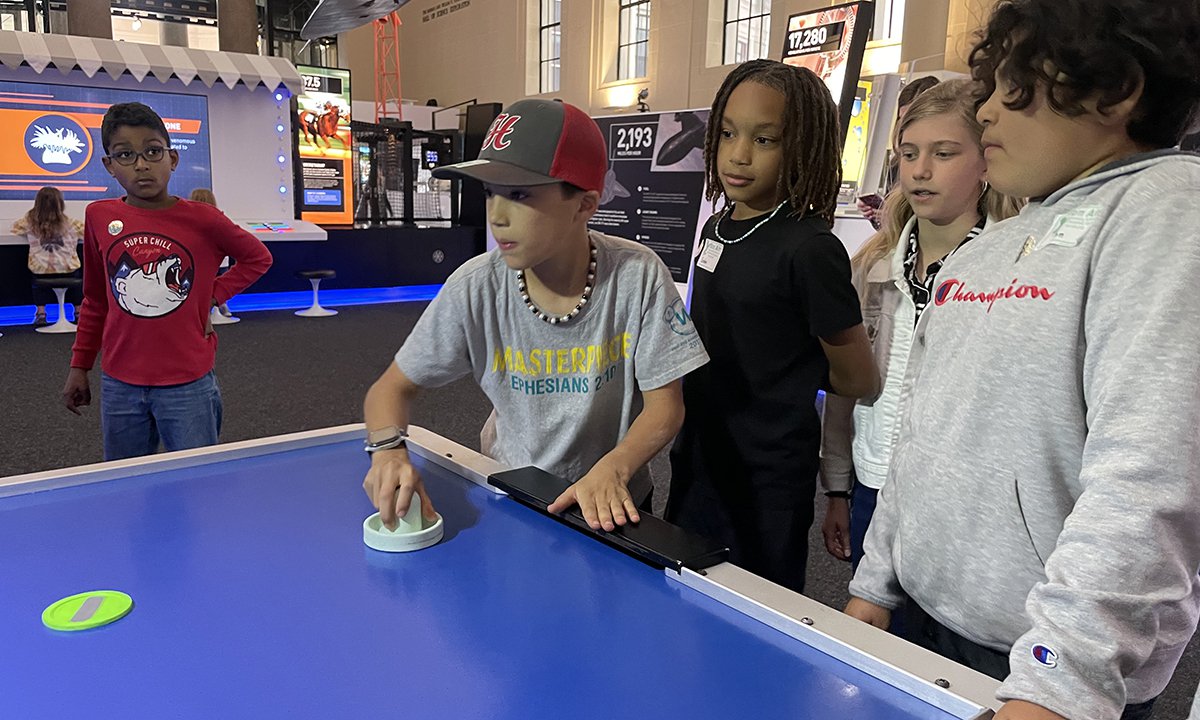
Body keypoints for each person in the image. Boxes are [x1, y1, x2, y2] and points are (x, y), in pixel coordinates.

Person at [844, 1, 1200, 719]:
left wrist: (1059, 682)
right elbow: (922, 432)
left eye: (1011, 91)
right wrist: (874, 580)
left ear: (1113, 89)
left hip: (1048, 664)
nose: (987, 117)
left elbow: (1150, 479)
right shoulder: (985, 253)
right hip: (925, 616)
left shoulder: (1168, 210)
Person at [361, 98, 709, 532]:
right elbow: (390, 389)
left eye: (519, 194)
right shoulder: (476, 285)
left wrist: (616, 466)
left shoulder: (638, 276)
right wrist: (388, 450)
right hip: (512, 491)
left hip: (613, 501)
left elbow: (666, 408)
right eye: (491, 193)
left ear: (584, 204)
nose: (496, 217)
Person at [665, 59, 878, 594]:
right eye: (729, 134)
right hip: (698, 453)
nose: (739, 155)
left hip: (766, 473)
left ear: (802, 145)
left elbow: (859, 380)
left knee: (758, 603)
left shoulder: (810, 249)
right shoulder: (718, 228)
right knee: (685, 589)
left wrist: (782, 374)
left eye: (765, 139)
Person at [821, 79, 1024, 572]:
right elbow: (847, 386)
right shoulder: (873, 265)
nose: (921, 171)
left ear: (985, 161)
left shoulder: (1014, 268)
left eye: (945, 153)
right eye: (909, 154)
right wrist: (837, 486)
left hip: (961, 499)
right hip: (873, 478)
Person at [61, 102, 272, 460]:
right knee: (126, 483)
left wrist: (209, 295)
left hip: (187, 384)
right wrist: (79, 367)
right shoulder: (99, 216)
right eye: (125, 155)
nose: (142, 164)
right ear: (109, 166)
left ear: (172, 159)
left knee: (196, 481)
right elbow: (96, 299)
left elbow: (258, 258)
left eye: (153, 151)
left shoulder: (203, 218)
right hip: (120, 383)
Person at [857, 75, 941, 228]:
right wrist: (881, 216)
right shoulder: (897, 162)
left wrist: (896, 219)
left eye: (913, 118)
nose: (905, 126)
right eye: (903, 119)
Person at [12, 186, 84, 326]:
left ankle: (41, 312)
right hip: (68, 271)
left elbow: (15, 228)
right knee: (76, 274)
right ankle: (78, 311)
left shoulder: (29, 222)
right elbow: (86, 231)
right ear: (60, 204)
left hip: (41, 271)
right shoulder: (71, 223)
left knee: (36, 275)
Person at [188, 188, 233, 319]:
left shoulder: (189, 222)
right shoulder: (219, 219)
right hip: (221, 262)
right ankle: (221, 305)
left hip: (199, 264)